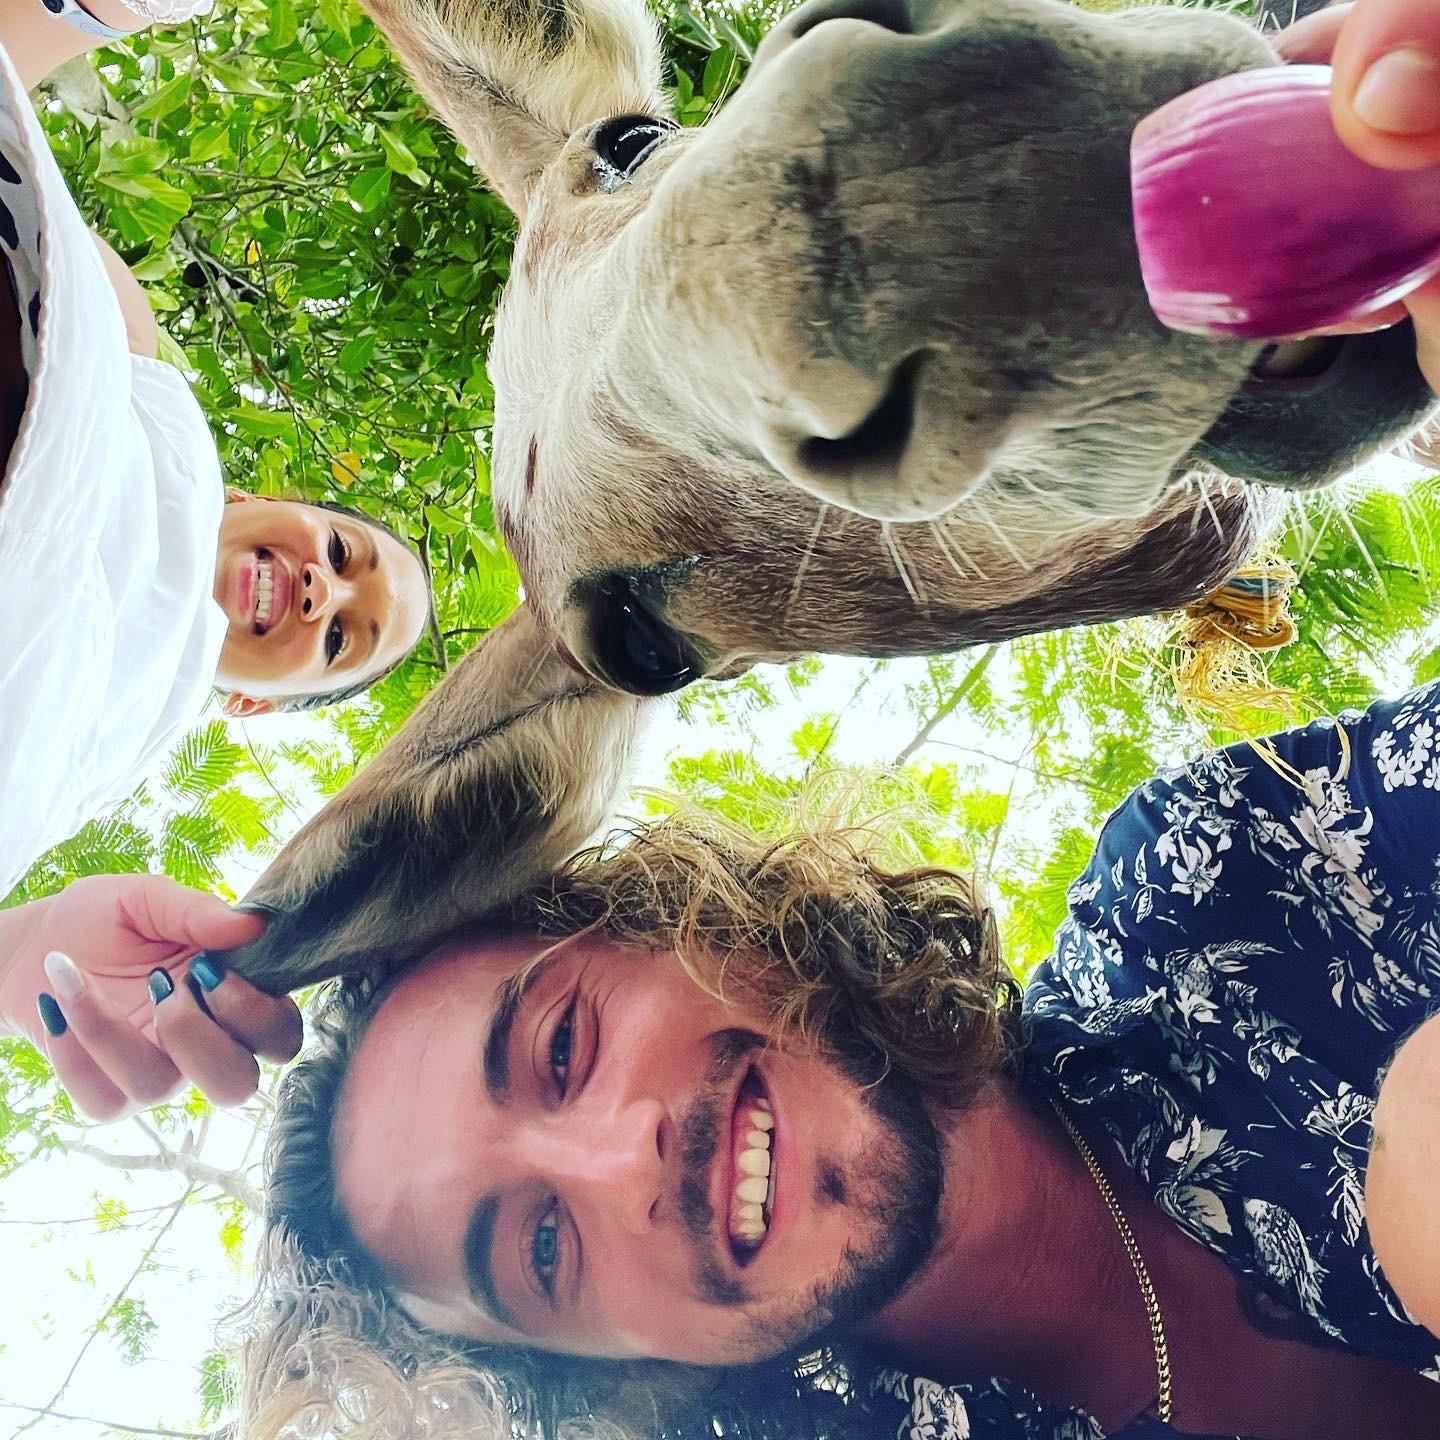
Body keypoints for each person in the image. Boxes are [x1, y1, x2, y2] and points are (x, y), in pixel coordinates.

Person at [215, 674, 1440, 1440]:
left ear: (673, 926)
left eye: (563, 1044)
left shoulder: (1223, 882)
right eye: (541, 1249)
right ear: (604, 1370)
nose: (617, 1157)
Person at [0, 0, 433, 897]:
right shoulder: (135, 361)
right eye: (345, 553)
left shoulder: (106, 749)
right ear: (250, 499)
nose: (325, 590)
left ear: (250, 704)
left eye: (343, 639)